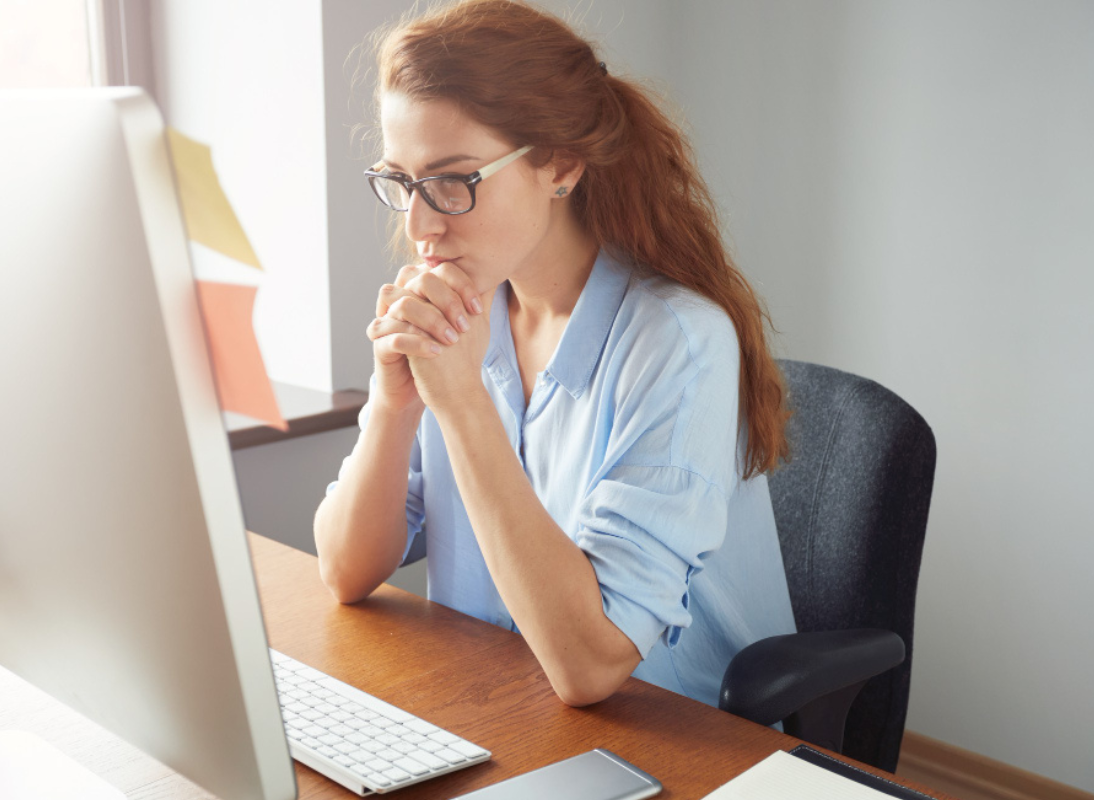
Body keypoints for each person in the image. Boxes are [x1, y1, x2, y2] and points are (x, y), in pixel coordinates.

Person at [314, 0, 796, 709]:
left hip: (675, 735)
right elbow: (345, 570)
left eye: (452, 181)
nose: (419, 225)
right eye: (403, 183)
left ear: (560, 165)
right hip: (502, 705)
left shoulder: (678, 343)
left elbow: (590, 667)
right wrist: (394, 404)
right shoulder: (464, 310)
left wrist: (464, 405)